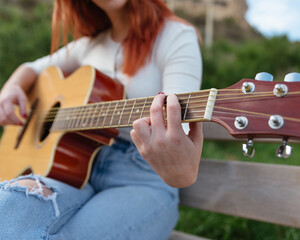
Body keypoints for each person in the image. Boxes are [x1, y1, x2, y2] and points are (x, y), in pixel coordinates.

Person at [0, 0, 203, 239]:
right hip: (78, 173)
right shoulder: (89, 46)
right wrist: (10, 89)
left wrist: (182, 169)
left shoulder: (175, 36)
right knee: (10, 204)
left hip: (142, 179)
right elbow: (31, 68)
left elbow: (180, 135)